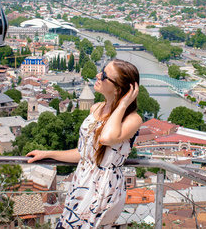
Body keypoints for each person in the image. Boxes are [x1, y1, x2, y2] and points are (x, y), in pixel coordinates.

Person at [27, 59, 142, 229]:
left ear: (118, 89)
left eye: (104, 75)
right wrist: (48, 153)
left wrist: (123, 104)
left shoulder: (132, 119)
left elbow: (106, 138)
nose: (98, 75)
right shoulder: (95, 109)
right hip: (81, 181)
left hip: (104, 187)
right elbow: (84, 153)